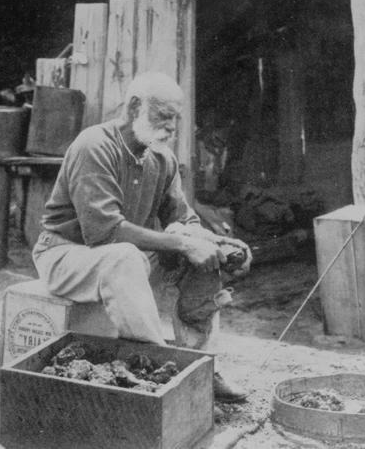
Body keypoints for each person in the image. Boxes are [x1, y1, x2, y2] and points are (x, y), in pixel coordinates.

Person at [32, 71, 252, 403]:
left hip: (118, 256)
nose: (172, 128)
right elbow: (105, 232)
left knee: (201, 256)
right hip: (65, 254)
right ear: (135, 107)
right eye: (164, 117)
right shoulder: (94, 145)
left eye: (176, 119)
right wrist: (182, 242)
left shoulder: (161, 158)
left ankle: (203, 367)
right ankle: (162, 366)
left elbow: (182, 219)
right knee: (127, 255)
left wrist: (217, 245)